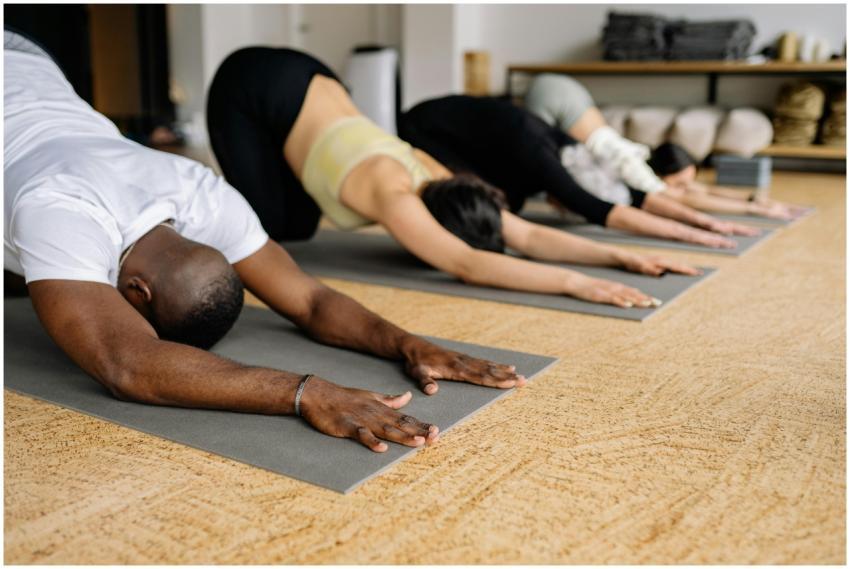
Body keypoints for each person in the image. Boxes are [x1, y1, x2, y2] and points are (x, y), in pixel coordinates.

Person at [3, 31, 526, 454]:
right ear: (136, 293)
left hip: (31, 69)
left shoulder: (200, 192)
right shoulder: (62, 211)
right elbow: (130, 363)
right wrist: (306, 393)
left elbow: (313, 301)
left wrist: (408, 343)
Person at [207, 47, 701, 312]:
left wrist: (619, 255)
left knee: (300, 222)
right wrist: (576, 284)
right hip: (247, 82)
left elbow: (523, 233)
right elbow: (468, 263)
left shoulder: (441, 176)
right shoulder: (391, 190)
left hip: (311, 73)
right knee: (275, 229)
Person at [398, 94, 760, 248]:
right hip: (422, 126)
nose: (569, 209)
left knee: (515, 200)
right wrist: (690, 236)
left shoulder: (572, 150)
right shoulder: (546, 163)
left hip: (490, 135)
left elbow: (636, 197)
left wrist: (707, 222)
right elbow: (604, 211)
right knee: (488, 213)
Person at [524, 73, 805, 221]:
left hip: (567, 93)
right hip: (551, 98)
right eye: (680, 182)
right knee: (535, 160)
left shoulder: (645, 155)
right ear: (665, 174)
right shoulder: (634, 167)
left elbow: (697, 189)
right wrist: (753, 213)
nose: (685, 186)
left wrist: (751, 199)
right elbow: (682, 198)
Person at [647, 143, 809, 220]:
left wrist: (756, 199)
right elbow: (690, 200)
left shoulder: (669, 176)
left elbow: (706, 190)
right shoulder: (645, 179)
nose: (686, 186)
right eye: (680, 183)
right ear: (660, 173)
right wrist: (753, 209)